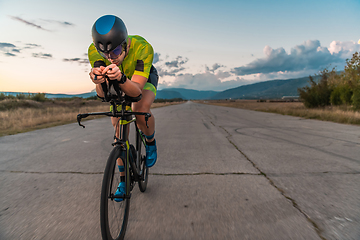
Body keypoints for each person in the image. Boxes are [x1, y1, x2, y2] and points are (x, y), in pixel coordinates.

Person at [88, 15, 158, 201]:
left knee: (140, 108)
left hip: (141, 77)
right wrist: (98, 81)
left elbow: (135, 92)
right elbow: (103, 96)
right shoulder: (95, 51)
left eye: (117, 50)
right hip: (117, 77)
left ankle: (150, 141)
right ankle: (123, 179)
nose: (112, 58)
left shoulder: (143, 47)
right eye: (106, 54)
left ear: (125, 44)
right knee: (118, 128)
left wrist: (120, 78)